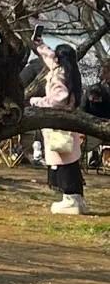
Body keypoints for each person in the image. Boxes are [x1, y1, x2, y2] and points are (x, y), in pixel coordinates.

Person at [31, 35, 87, 215]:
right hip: (69, 122)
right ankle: (77, 199)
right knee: (71, 161)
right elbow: (49, 57)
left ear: (60, 58)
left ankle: (70, 198)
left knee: (63, 162)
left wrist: (37, 101)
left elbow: (58, 99)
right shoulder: (70, 71)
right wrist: (40, 44)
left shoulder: (59, 74)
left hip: (58, 122)